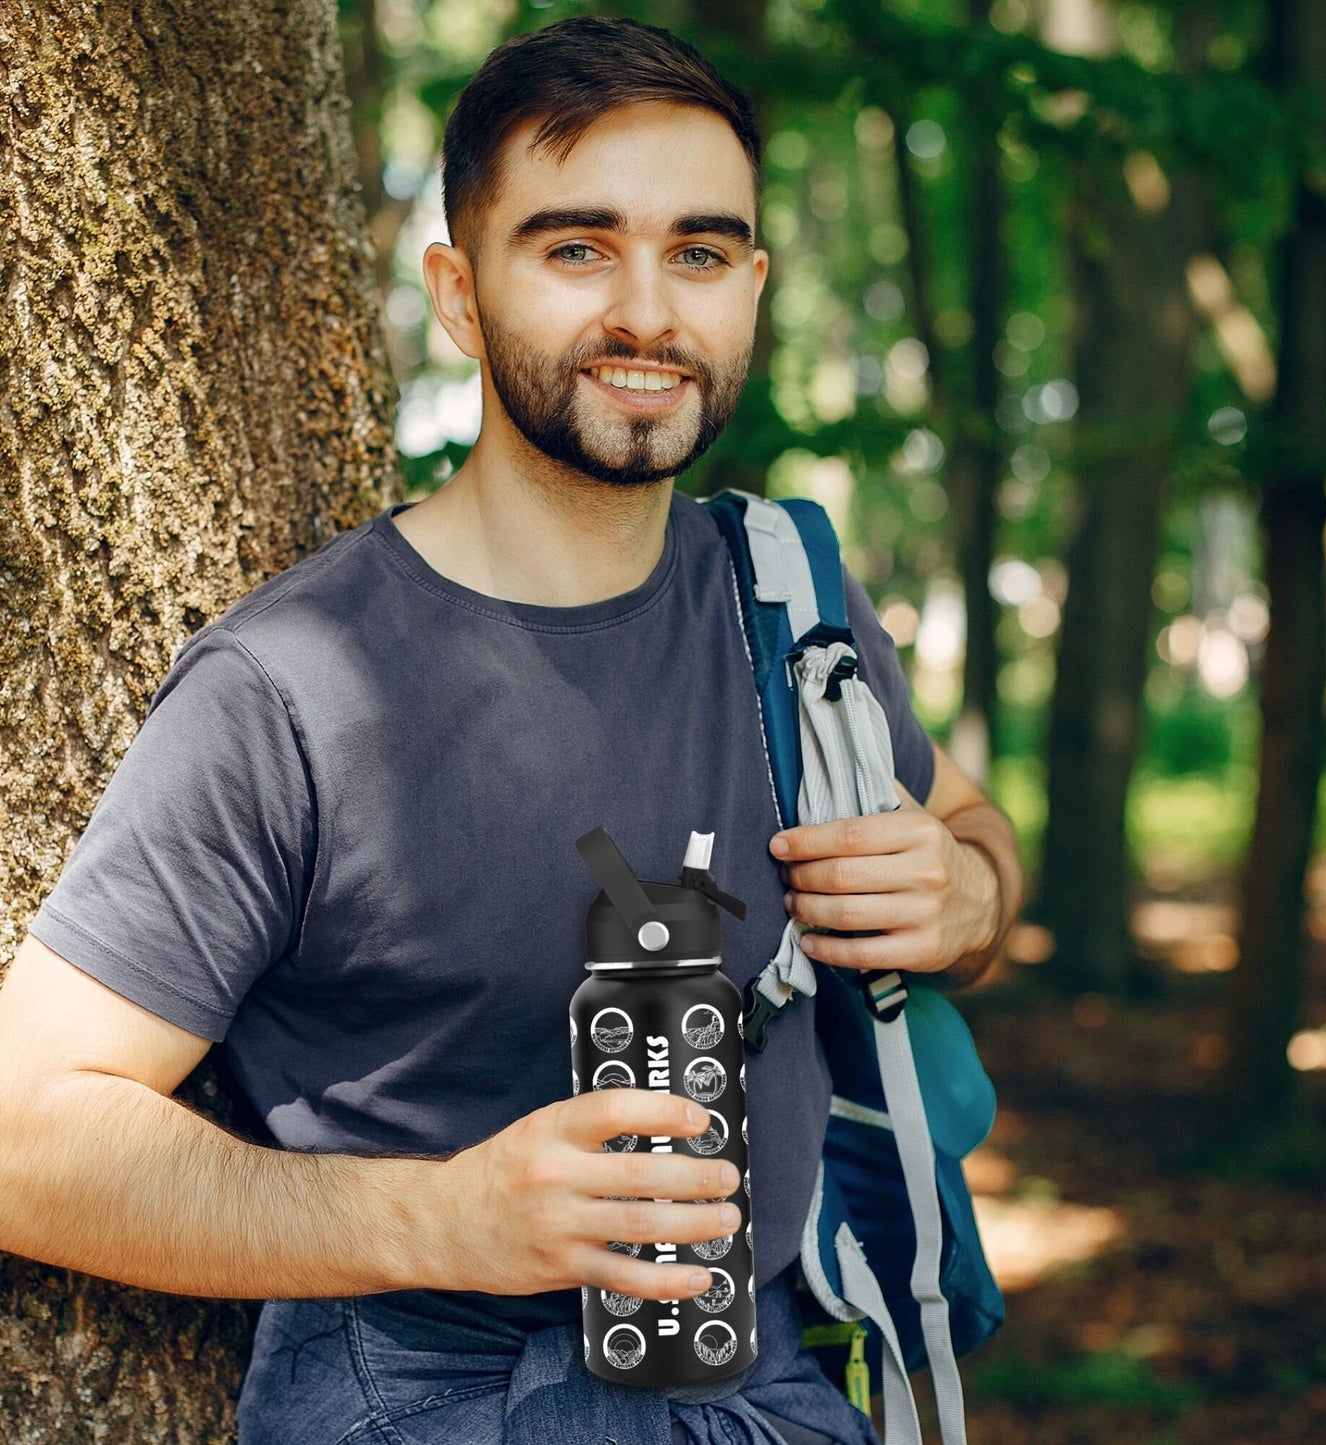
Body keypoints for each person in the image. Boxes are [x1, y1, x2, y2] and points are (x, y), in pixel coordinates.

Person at [0, 18, 1021, 1445]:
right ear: (460, 294)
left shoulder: (785, 592)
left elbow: (969, 842)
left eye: (701, 253)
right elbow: (24, 1129)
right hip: (428, 1391)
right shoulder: (295, 685)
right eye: (575, 248)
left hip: (772, 1374)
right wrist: (441, 1215)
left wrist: (968, 889)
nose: (649, 314)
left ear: (752, 290)